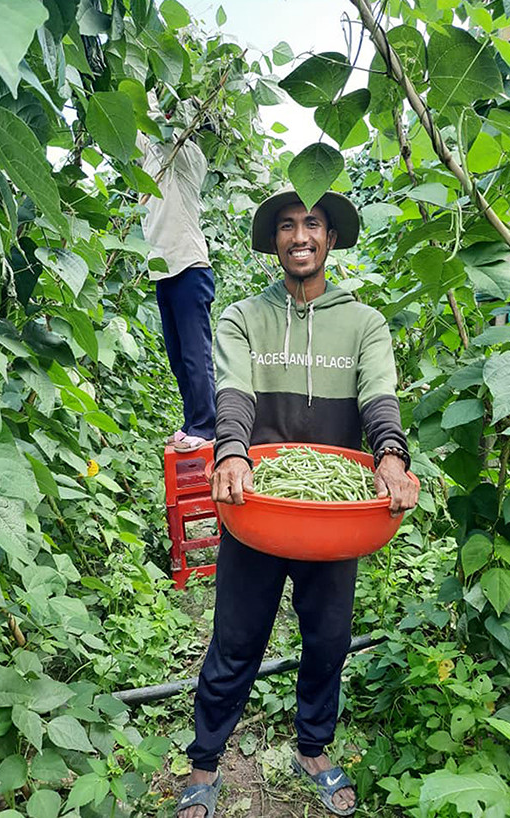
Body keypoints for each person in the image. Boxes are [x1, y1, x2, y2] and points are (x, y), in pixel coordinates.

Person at [175, 188, 419, 818]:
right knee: (236, 637)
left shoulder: (363, 323)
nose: (301, 234)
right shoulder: (243, 318)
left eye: (313, 223)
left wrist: (390, 455)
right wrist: (232, 451)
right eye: (287, 225)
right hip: (259, 503)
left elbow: (378, 397)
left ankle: (314, 748)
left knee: (329, 636)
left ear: (330, 238)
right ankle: (205, 761)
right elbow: (233, 390)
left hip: (332, 519)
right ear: (275, 241)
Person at [136, 93, 215, 452]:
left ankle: (206, 426)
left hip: (189, 266)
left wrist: (156, 97)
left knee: (194, 353)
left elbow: (163, 130)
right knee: (177, 355)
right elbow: (139, 132)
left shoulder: (188, 157)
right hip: (164, 270)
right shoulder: (153, 160)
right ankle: (191, 421)